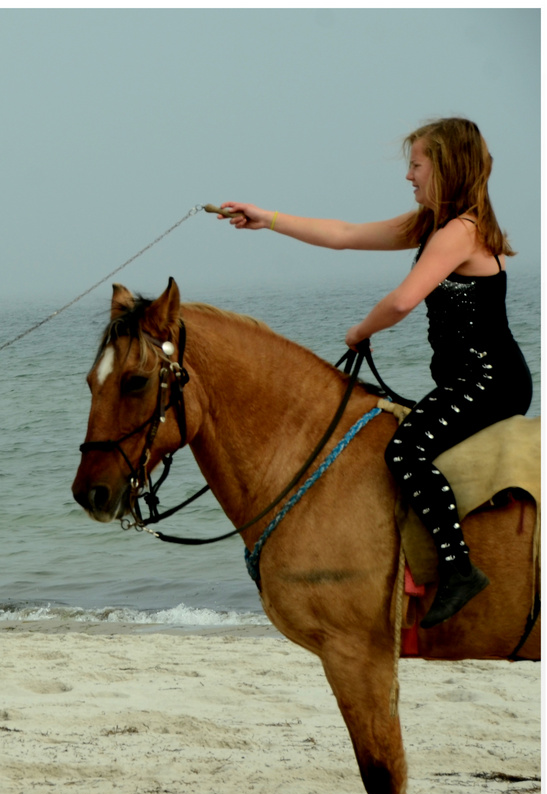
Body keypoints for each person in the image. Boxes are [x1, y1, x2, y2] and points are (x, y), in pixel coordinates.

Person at [218, 117, 533, 627]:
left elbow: (405, 299)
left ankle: (459, 570)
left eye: (416, 165)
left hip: (490, 380)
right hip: (466, 381)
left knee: (405, 450)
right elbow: (343, 235)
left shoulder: (461, 231)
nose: (409, 176)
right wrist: (267, 218)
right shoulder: (433, 226)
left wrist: (360, 331)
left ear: (446, 167)